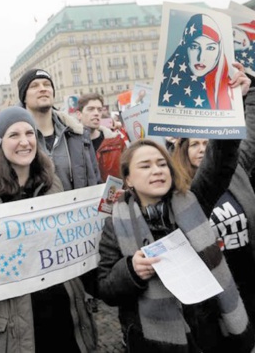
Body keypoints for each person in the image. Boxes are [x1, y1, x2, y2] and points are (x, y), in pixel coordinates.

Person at [0, 106, 97, 352]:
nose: (24, 142)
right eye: (14, 135)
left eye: (30, 133)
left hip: (62, 312)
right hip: (11, 321)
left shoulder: (52, 182)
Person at [98, 136, 255, 352]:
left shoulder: (194, 200)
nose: (157, 170)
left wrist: (225, 125)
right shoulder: (114, 225)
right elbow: (105, 287)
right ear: (128, 179)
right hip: (156, 343)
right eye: (145, 166)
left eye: (162, 164)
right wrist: (131, 271)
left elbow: (220, 162)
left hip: (210, 331)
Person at [171, 74, 255, 323]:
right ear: (183, 150)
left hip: (249, 274)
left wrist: (249, 94)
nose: (202, 149)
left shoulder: (236, 168)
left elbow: (249, 134)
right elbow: (214, 166)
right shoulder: (182, 191)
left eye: (207, 142)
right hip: (217, 289)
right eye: (195, 144)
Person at [16, 68, 101, 191]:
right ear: (24, 97)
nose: (43, 88)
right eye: (34, 86)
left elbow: (95, 179)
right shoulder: (14, 140)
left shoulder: (79, 134)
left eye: (47, 84)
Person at [158, 13, 232, 110]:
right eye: (194, 47)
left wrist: (241, 94)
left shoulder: (230, 85)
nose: (201, 58)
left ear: (220, 51)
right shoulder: (164, 83)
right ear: (185, 46)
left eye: (210, 48)